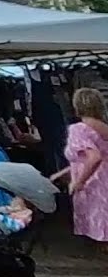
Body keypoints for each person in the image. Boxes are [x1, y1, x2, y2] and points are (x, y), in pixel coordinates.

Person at [51, 88, 108, 249]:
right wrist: (63, 173)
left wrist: (80, 182)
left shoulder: (79, 129)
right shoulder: (104, 127)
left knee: (101, 236)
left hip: (95, 187)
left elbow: (94, 157)